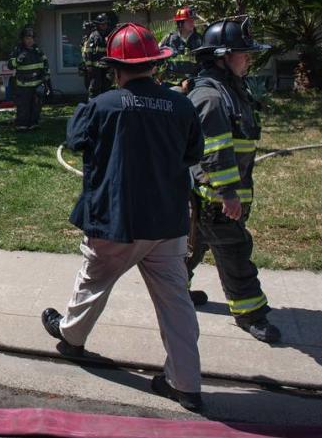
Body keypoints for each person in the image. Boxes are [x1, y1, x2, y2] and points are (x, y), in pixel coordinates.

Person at [42, 22, 205, 411]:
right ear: (154, 64)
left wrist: (88, 106)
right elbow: (192, 156)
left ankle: (71, 338)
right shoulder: (182, 105)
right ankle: (186, 385)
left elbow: (75, 139)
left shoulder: (103, 105)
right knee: (176, 302)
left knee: (93, 282)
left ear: (115, 67)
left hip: (117, 222)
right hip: (167, 223)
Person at [186, 17, 281, 344]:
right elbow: (215, 152)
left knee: (190, 249)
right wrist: (228, 194)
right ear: (222, 56)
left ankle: (173, 290)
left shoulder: (230, 90)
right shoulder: (211, 97)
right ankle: (251, 313)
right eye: (243, 53)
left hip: (213, 196)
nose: (249, 58)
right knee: (235, 252)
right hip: (214, 198)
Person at [8, 26, 50, 130]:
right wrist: (17, 60)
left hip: (37, 84)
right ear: (23, 39)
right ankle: (22, 125)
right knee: (23, 106)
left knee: (36, 106)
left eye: (31, 38)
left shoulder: (38, 51)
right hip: (23, 85)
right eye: (27, 38)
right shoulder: (18, 50)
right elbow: (10, 65)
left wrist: (46, 76)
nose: (29, 40)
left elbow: (45, 64)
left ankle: (33, 124)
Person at [160, 6, 204, 90]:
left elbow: (204, 65)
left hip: (194, 83)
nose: (192, 23)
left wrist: (190, 80)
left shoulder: (200, 40)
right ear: (180, 23)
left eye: (193, 20)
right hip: (171, 83)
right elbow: (158, 61)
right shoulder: (168, 40)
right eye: (189, 21)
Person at [81, 12, 114, 98]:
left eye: (105, 24)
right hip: (96, 67)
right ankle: (92, 104)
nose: (104, 26)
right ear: (98, 25)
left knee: (106, 87)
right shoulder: (94, 36)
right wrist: (89, 66)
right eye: (102, 24)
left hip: (107, 67)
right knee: (95, 87)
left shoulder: (109, 35)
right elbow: (87, 51)